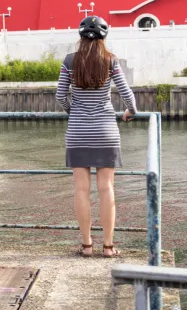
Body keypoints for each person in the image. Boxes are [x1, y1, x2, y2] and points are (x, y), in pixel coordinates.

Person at [56, 16, 137, 258]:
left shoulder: (70, 61)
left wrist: (73, 112)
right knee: (107, 188)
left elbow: (60, 96)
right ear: (104, 37)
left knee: (81, 190)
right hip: (106, 132)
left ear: (80, 36)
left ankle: (87, 246)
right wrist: (131, 111)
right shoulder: (110, 60)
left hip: (78, 132)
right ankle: (109, 247)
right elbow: (127, 93)